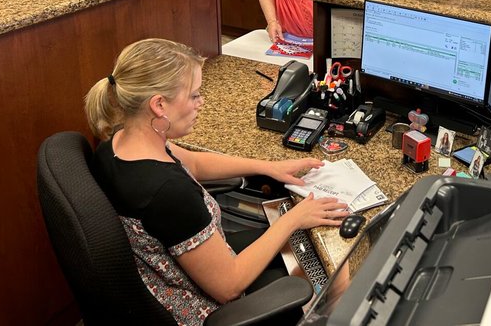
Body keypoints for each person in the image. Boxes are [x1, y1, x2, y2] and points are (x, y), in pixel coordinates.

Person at [86, 38, 350, 326]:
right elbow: (229, 286)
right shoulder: (168, 193)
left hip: (185, 271)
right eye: (194, 95)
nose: (201, 103)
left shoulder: (119, 142)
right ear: (159, 104)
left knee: (310, 248)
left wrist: (269, 167)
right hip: (209, 307)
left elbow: (196, 163)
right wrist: (295, 219)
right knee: (340, 273)